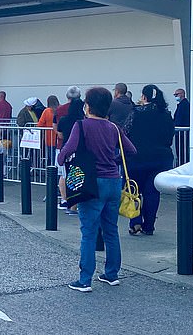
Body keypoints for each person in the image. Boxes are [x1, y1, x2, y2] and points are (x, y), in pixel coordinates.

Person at [59, 86, 136, 292]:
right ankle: (111, 274)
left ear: (88, 106)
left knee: (89, 231)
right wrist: (114, 159)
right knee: (111, 230)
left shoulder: (82, 125)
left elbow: (69, 148)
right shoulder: (113, 128)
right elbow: (131, 150)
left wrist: (60, 158)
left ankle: (85, 280)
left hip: (92, 182)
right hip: (113, 181)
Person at [124, 84, 175, 236]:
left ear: (144, 97)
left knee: (134, 190)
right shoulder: (166, 114)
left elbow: (126, 132)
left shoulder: (136, 113)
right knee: (152, 192)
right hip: (161, 158)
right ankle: (149, 225)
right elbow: (169, 137)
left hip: (137, 158)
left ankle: (135, 222)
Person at [56, 91, 85, 214]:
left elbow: (60, 134)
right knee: (77, 176)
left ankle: (65, 200)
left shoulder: (63, 119)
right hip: (81, 150)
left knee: (64, 175)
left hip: (65, 148)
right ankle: (75, 205)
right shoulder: (83, 121)